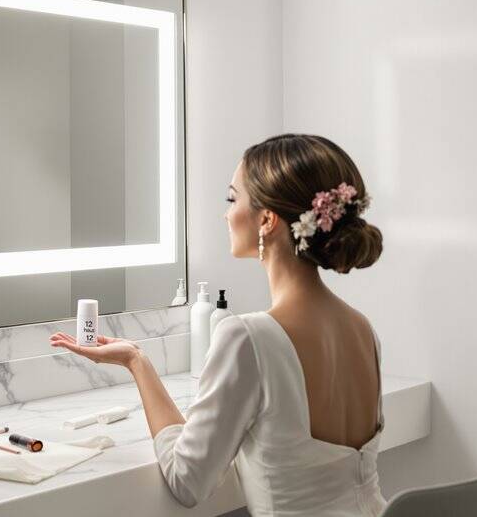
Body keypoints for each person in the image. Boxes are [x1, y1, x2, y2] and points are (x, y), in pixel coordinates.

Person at [51, 134, 386, 515]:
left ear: (266, 220)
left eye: (232, 199)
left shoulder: (251, 337)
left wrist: (136, 363)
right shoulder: (363, 330)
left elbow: (188, 481)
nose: (226, 214)